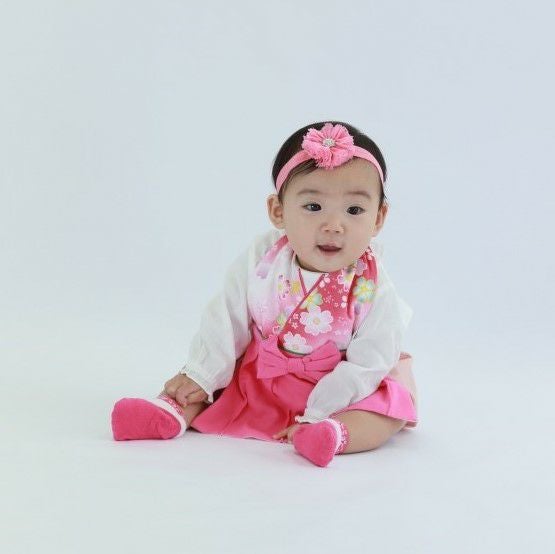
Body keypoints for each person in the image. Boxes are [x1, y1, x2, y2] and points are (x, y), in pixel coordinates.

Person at [111, 121, 418, 468]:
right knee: (211, 382)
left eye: (354, 210)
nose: (334, 226)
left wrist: (321, 410)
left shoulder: (371, 283)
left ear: (378, 218)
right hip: (263, 378)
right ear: (278, 211)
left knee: (385, 411)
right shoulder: (264, 257)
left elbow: (371, 358)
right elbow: (227, 315)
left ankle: (332, 433)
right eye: (313, 207)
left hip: (344, 384)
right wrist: (202, 373)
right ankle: (171, 410)